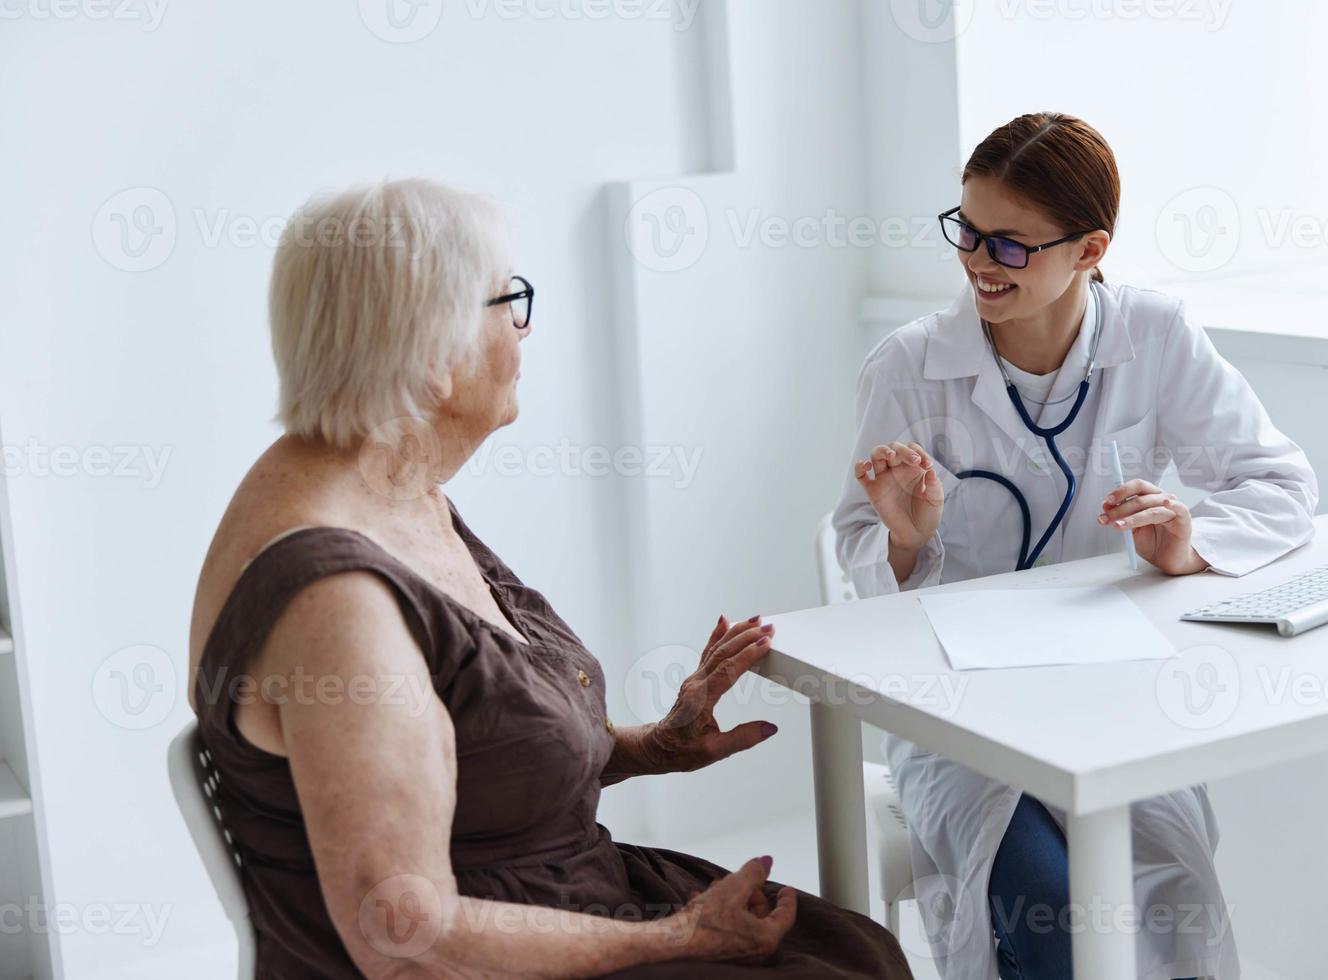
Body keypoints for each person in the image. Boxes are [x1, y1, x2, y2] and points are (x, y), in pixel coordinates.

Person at [187, 178, 912, 979]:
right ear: (435, 360)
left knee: (856, 948)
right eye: (509, 302)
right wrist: (677, 938)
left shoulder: (385, 485)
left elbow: (479, 747)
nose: (524, 332)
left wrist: (650, 746)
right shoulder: (338, 607)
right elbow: (403, 934)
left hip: (552, 894)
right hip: (477, 954)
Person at [833, 112, 1318, 980]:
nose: (980, 262)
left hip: (1115, 693)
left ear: (1090, 250)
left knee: (1160, 903)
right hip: (958, 711)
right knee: (1052, 918)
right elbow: (860, 549)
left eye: (1011, 246)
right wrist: (908, 544)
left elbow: (1280, 485)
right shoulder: (907, 367)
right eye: (969, 232)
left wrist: (1189, 546)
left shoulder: (1155, 336)